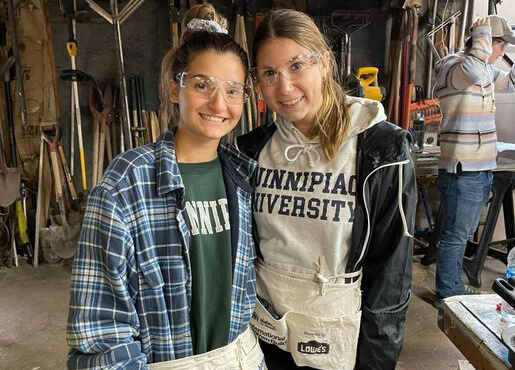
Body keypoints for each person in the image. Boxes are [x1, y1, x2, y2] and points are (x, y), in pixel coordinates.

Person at [67, 4, 265, 369]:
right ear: (176, 89)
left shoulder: (245, 178)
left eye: (233, 90)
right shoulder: (125, 185)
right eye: (202, 85)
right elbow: (101, 331)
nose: (219, 103)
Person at [235, 8, 417, 370]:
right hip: (266, 336)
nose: (284, 87)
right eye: (269, 73)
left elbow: (391, 273)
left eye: (296, 66)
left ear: (324, 62)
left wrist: (376, 362)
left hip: (338, 340)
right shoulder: (251, 151)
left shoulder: (381, 149)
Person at [433, 15, 515, 304]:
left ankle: (452, 282)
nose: (502, 53)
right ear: (485, 42)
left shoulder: (482, 70)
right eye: (500, 45)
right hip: (462, 168)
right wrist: (482, 32)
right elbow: (475, 72)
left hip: (481, 167)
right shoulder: (455, 67)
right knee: (456, 234)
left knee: (464, 230)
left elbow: (506, 80)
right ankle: (448, 291)